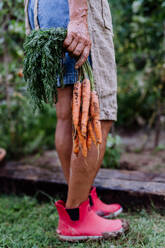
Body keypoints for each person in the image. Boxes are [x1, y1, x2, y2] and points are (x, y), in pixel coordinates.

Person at [24, 0, 128, 242]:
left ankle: (84, 200)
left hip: (44, 7)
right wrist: (79, 17)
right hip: (71, 7)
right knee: (95, 113)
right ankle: (76, 215)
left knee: (68, 113)